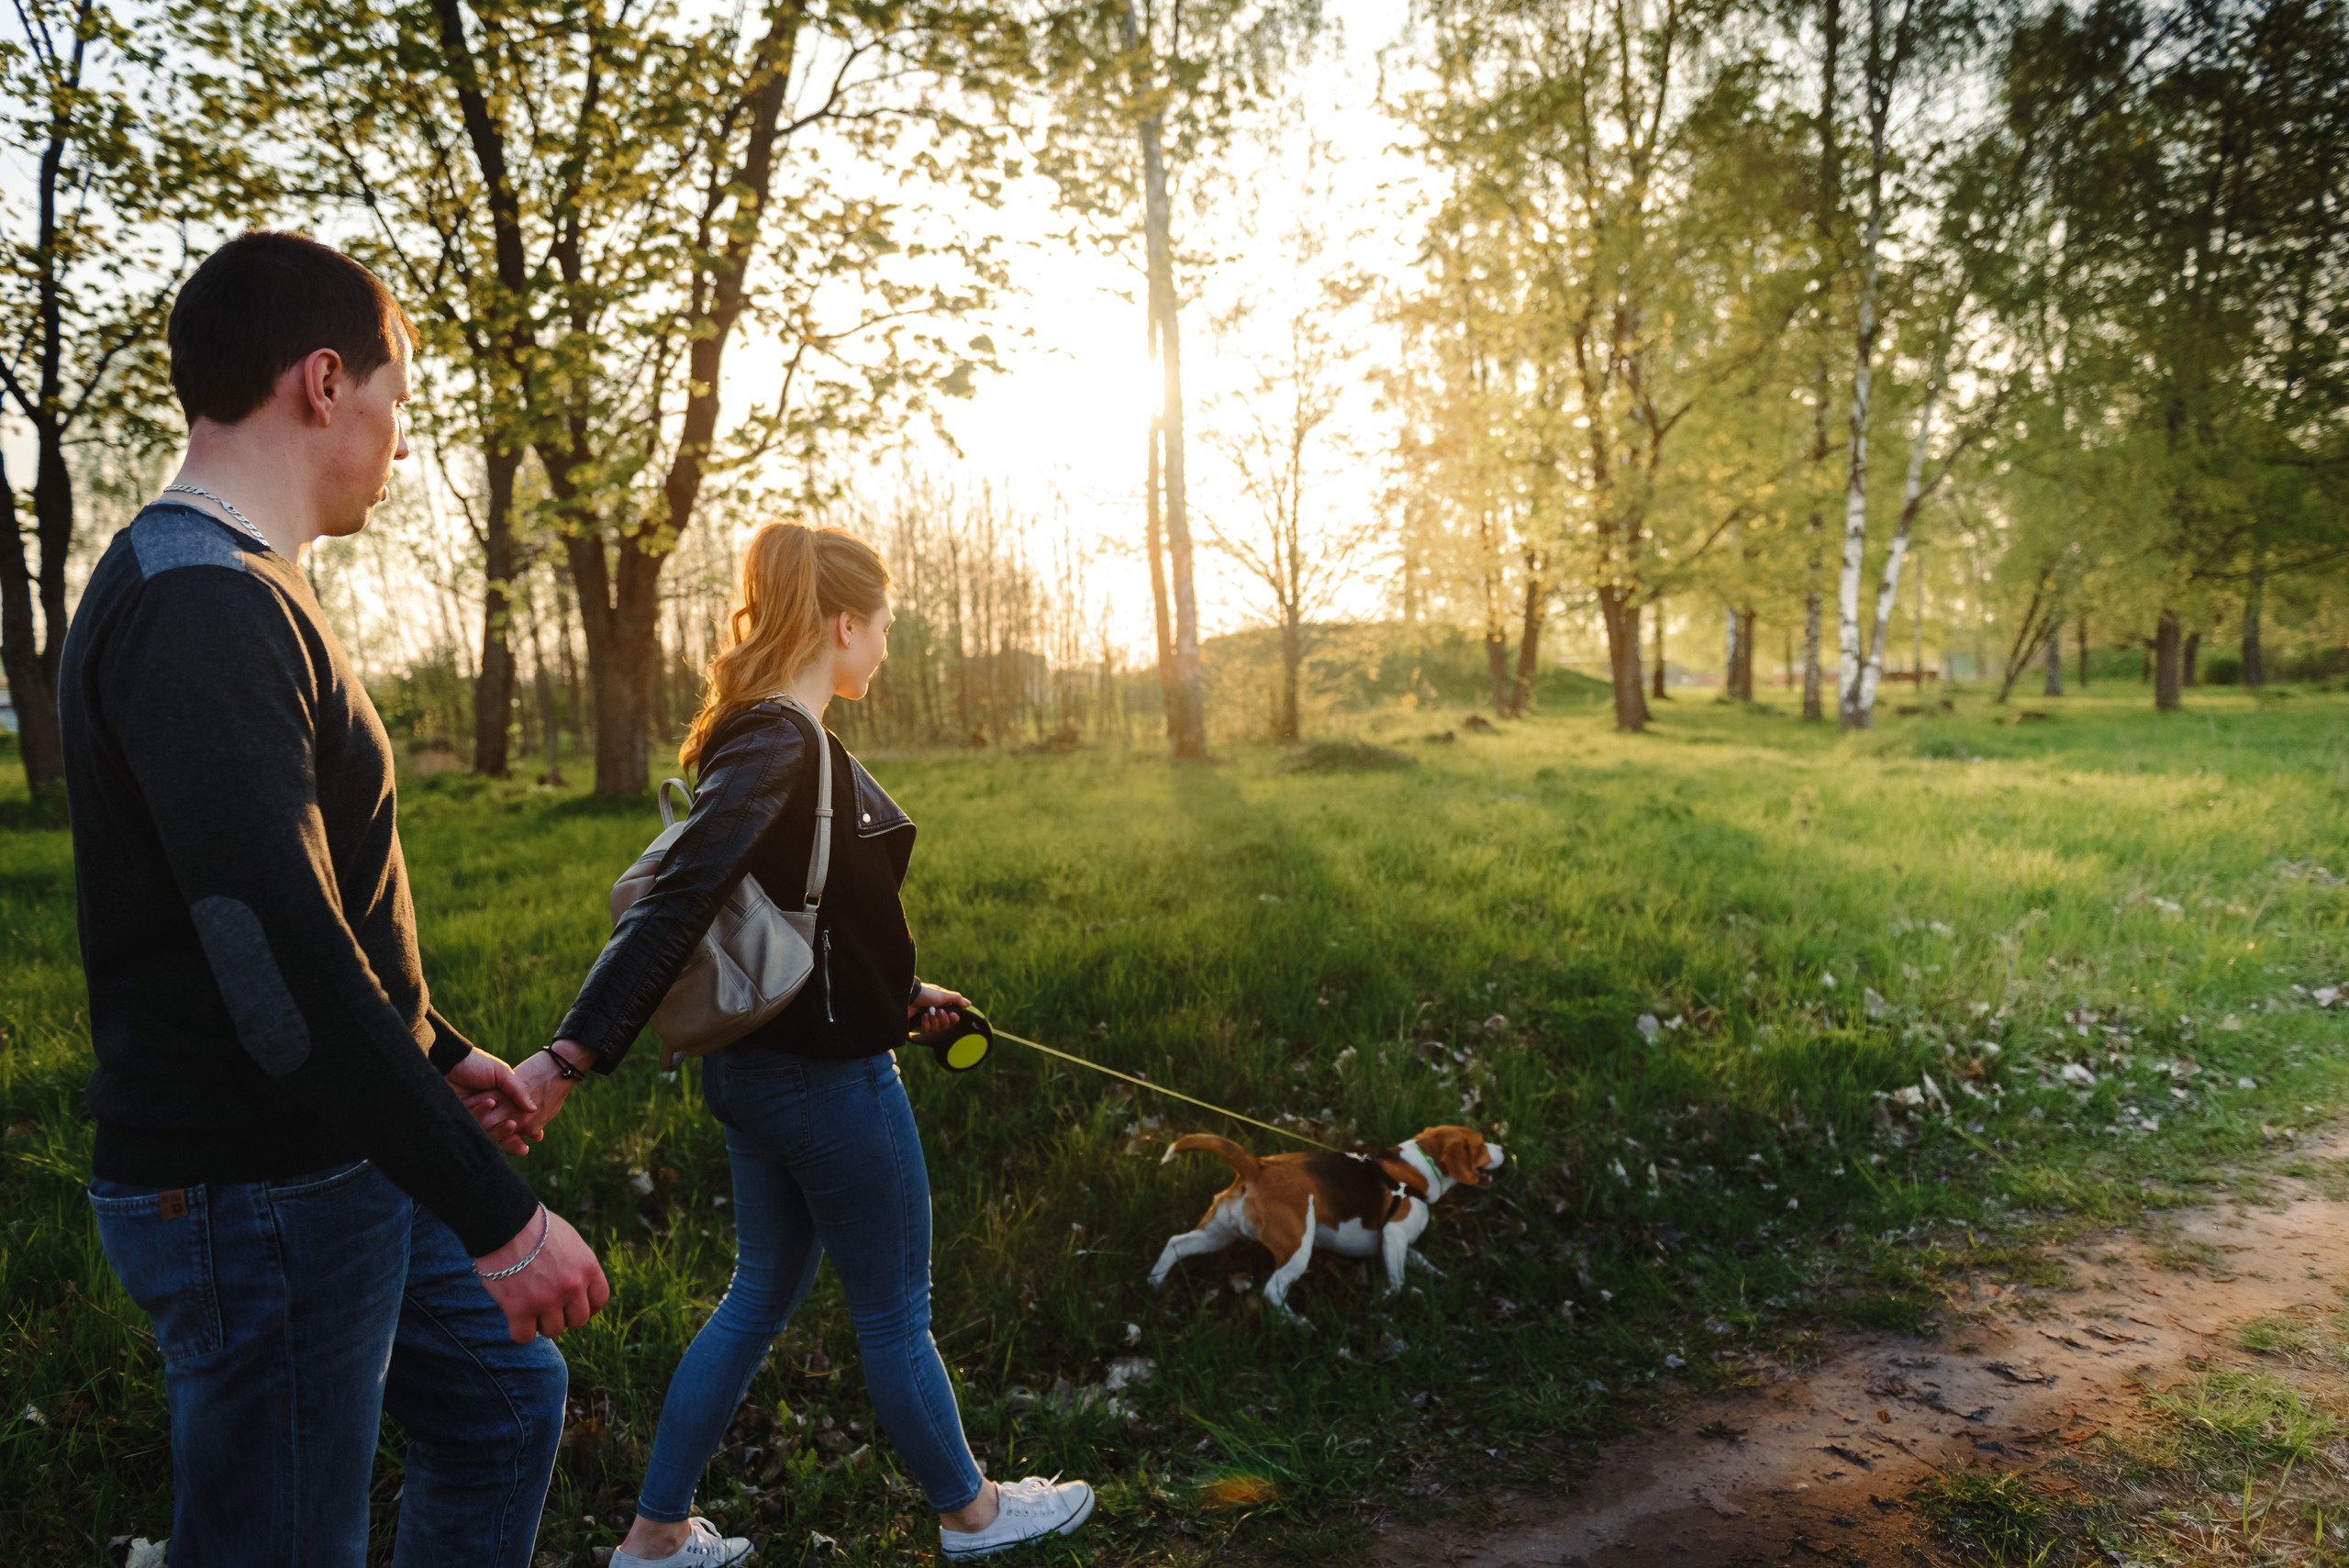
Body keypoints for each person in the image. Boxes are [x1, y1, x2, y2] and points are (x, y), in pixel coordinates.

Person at [58, 230, 609, 1568]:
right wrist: (498, 1213)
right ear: (322, 381)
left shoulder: (239, 586)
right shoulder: (202, 606)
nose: (403, 439)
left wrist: (433, 1050)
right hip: (256, 1187)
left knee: (499, 1398)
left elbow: (293, 906)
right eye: (398, 395)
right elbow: (276, 960)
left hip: (327, 1155)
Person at [502, 523, 1094, 1565]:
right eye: (886, 625)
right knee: (895, 1312)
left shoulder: (769, 738)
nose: (889, 645)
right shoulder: (782, 741)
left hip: (756, 1071)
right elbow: (681, 904)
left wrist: (900, 991)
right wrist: (569, 1055)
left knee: (756, 1294)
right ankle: (974, 1512)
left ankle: (654, 1537)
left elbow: (793, 918)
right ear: (841, 623)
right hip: (826, 1085)